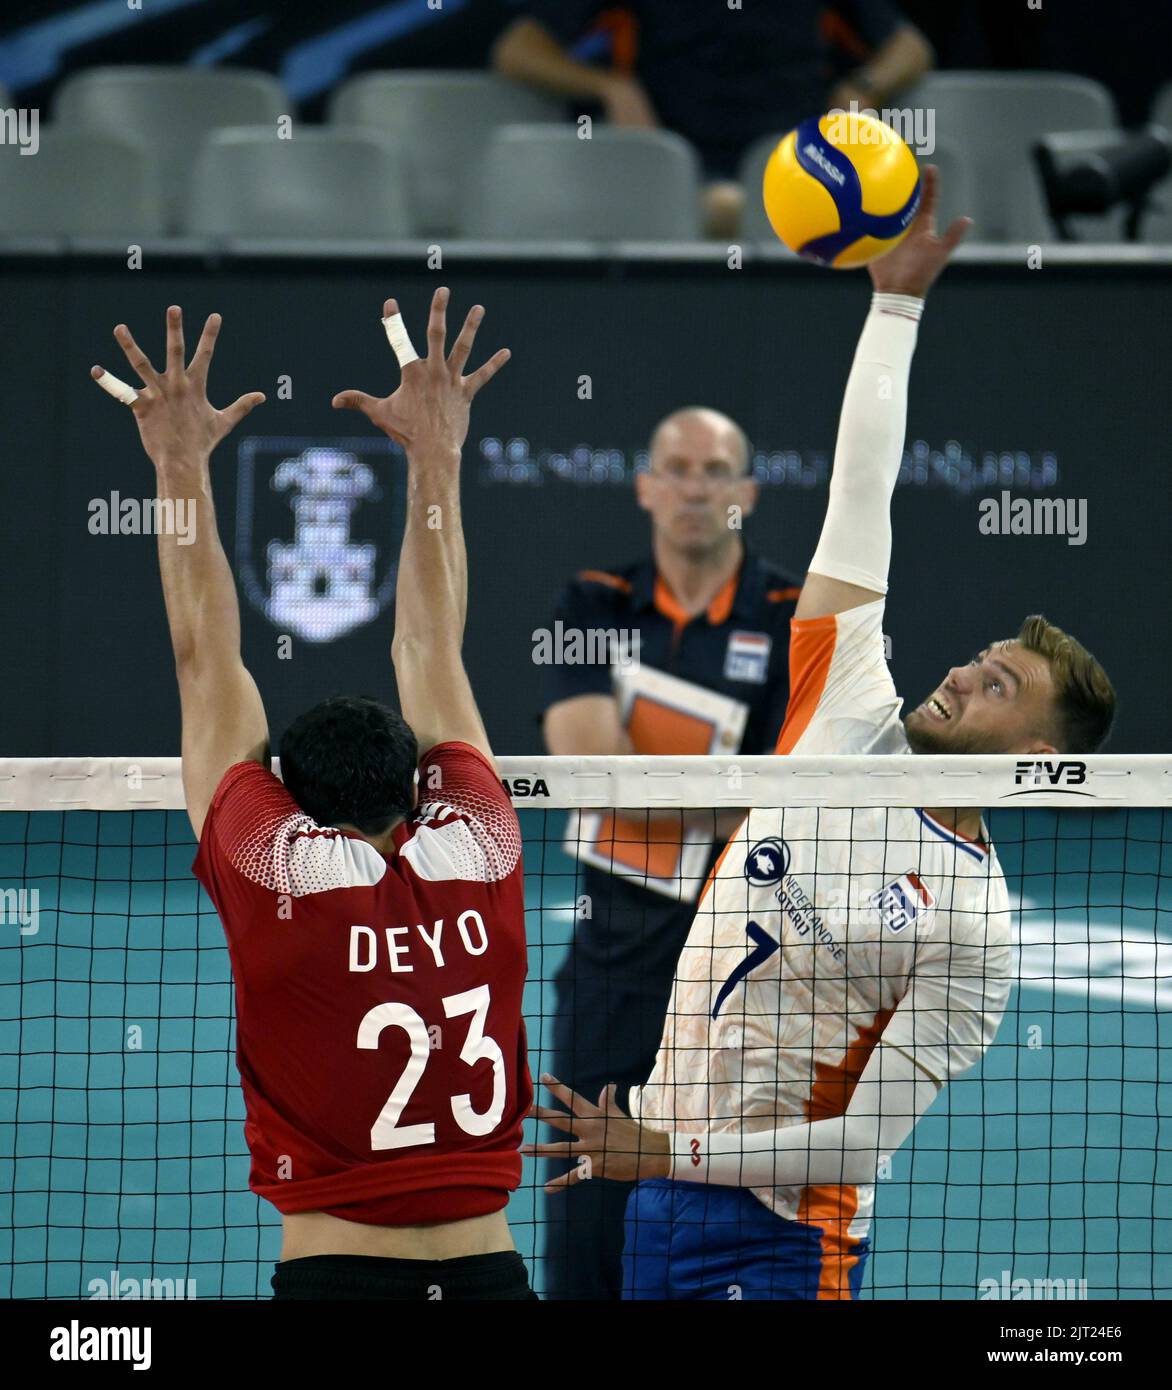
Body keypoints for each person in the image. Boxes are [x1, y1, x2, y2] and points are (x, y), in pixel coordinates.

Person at [523, 168, 1117, 1299]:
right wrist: (892, 307)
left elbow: (858, 1145)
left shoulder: (975, 929)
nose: (958, 673)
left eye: (995, 686)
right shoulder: (845, 698)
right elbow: (862, 489)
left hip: (777, 1239)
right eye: (977, 657)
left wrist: (675, 1154)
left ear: (1035, 759)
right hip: (650, 1193)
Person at [91, 287, 537, 1301]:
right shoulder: (481, 842)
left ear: (290, 793)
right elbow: (429, 645)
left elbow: (206, 660)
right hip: (490, 1275)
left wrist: (177, 466)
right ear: (418, 782)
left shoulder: (275, 867)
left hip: (338, 1274)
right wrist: (435, 454)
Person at [538, 407, 802, 1299]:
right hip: (611, 966)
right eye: (678, 468)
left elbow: (788, 805)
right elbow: (586, 765)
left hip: (750, 977)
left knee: (732, 1200)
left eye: (717, 469)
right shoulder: (595, 601)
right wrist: (733, 791)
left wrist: (649, 778)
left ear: (747, 493)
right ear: (647, 486)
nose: (697, 486)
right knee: (584, 1212)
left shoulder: (793, 614)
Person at [492, 0, 933, 237]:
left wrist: (863, 87)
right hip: (674, 172)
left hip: (802, 168)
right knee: (715, 207)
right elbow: (517, 50)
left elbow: (910, 47)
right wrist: (609, 86)